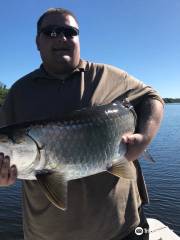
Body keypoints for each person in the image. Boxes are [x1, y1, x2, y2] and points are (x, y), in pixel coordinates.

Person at [0, 8, 164, 240]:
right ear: (37, 41)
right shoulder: (19, 92)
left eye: (69, 32)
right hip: (47, 233)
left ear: (78, 38)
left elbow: (152, 98)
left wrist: (144, 138)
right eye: (51, 32)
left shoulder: (111, 76)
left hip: (122, 228)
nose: (61, 37)